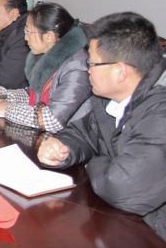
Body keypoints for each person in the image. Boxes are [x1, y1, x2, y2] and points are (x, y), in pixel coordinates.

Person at [37, 12, 166, 241]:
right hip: (124, 225)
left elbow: (123, 188)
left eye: (92, 63)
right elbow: (84, 132)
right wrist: (61, 147)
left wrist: (92, 163)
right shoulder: (107, 99)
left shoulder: (160, 111)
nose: (87, 69)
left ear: (120, 71)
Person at [0, 3, 91, 133]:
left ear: (49, 37)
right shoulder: (47, 57)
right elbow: (32, 94)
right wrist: (4, 96)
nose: (25, 38)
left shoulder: (77, 68)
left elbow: (51, 120)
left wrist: (7, 108)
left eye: (28, 32)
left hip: (68, 140)